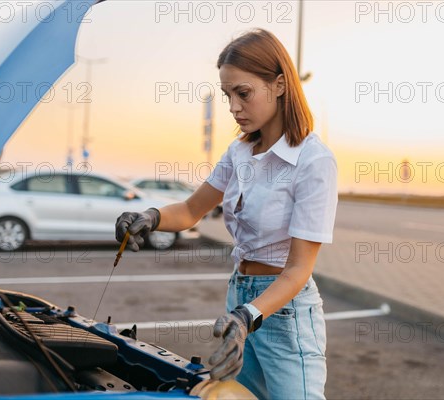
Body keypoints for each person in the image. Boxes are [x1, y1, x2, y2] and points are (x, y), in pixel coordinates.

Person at [115, 28, 338, 400]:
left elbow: (299, 270)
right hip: (240, 300)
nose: (233, 107)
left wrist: (247, 317)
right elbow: (189, 210)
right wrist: (150, 216)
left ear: (280, 85)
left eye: (243, 93)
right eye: (227, 95)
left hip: (282, 313)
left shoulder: (313, 161)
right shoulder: (239, 152)